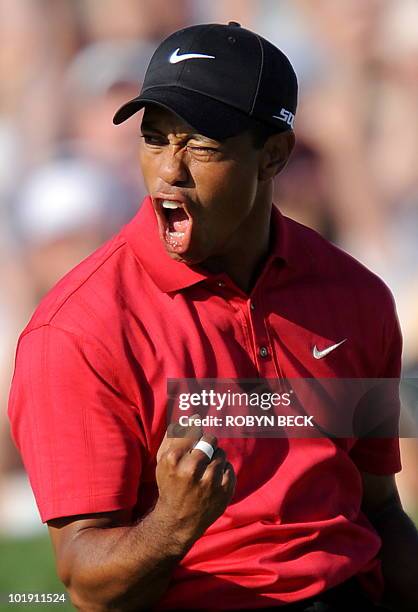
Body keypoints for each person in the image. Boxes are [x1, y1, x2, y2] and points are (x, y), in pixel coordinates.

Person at [7, 22, 418, 612]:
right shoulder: (77, 330)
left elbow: (379, 510)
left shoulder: (358, 296)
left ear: (274, 154)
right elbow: (88, 586)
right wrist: (174, 525)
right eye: (153, 140)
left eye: (200, 144)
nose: (168, 170)